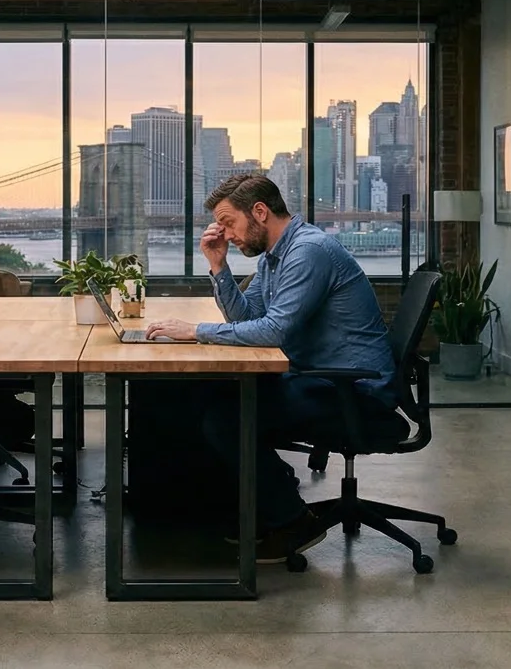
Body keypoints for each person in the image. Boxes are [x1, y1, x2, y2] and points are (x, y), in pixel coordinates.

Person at [146, 174, 396, 564]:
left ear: (259, 212)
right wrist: (218, 267)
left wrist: (195, 331)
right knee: (205, 398)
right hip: (316, 378)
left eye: (229, 222)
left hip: (353, 391)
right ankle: (259, 496)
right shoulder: (275, 256)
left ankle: (292, 519)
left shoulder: (308, 252)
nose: (225, 234)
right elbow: (248, 318)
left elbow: (274, 330)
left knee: (226, 419)